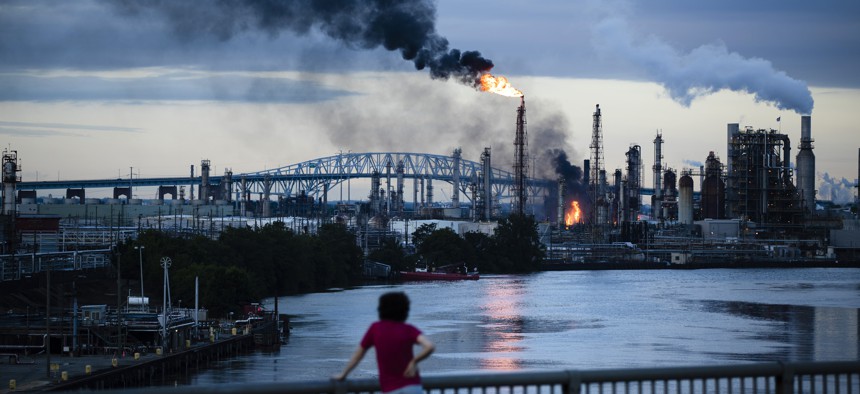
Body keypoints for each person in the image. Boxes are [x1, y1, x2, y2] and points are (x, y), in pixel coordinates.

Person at [333, 292, 435, 394]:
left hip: (391, 389)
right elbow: (429, 346)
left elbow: (357, 356)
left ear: (381, 309)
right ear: (404, 310)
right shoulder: (409, 329)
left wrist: (343, 374)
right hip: (413, 387)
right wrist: (414, 361)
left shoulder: (375, 328)